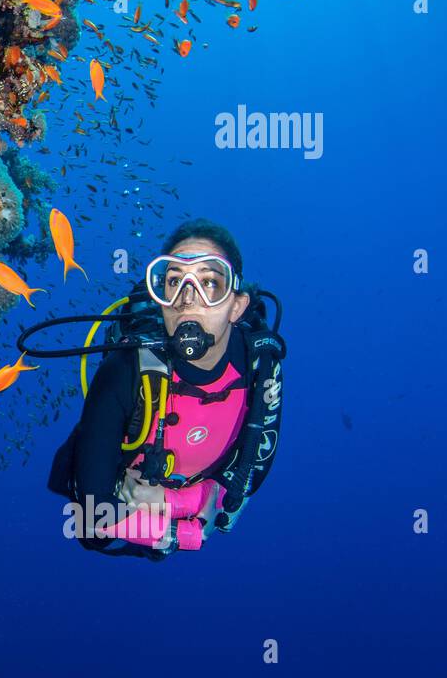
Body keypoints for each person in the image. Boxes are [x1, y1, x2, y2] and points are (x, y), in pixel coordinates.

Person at [60, 218, 285, 557]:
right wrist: (186, 532)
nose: (187, 300)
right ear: (161, 298)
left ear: (236, 306)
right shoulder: (125, 370)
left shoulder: (261, 365)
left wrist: (173, 500)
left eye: (210, 282)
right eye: (174, 281)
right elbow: (92, 515)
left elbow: (247, 480)